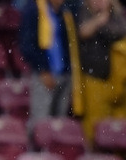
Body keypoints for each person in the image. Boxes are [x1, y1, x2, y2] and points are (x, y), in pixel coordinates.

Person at [76, 0, 126, 141]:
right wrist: (99, 20)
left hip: (119, 80)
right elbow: (82, 32)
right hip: (94, 76)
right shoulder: (83, 11)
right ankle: (94, 153)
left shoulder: (117, 14)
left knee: (121, 123)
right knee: (94, 124)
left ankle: (120, 153)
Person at [19, 0, 80, 130]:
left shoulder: (66, 11)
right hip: (44, 75)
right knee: (40, 121)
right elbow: (27, 45)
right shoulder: (34, 9)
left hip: (64, 74)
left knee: (59, 123)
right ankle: (37, 143)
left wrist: (69, 71)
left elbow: (71, 43)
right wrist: (42, 69)